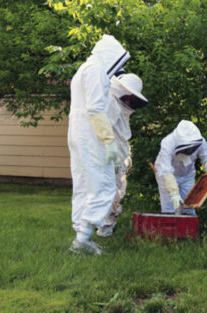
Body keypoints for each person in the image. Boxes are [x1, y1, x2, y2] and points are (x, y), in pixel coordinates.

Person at [68, 34, 130, 255]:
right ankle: (83, 240)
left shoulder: (84, 69)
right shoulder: (95, 71)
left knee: (85, 185)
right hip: (91, 135)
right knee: (104, 185)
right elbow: (95, 109)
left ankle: (81, 236)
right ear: (111, 56)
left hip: (78, 133)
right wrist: (108, 140)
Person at [96, 72, 148, 237]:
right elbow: (104, 131)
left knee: (117, 191)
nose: (131, 100)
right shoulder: (112, 102)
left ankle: (106, 226)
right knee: (113, 192)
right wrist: (112, 155)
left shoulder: (119, 105)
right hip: (112, 155)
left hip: (119, 154)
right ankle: (104, 228)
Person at [154, 120, 207, 215]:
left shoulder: (201, 141)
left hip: (187, 175)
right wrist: (174, 193)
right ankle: (169, 227)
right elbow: (166, 171)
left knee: (190, 206)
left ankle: (188, 229)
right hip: (166, 174)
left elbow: (206, 159)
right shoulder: (168, 143)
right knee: (169, 209)